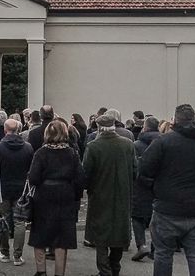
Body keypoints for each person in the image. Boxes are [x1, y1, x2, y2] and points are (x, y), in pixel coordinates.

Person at [140, 104, 195, 276]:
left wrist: (154, 190)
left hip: (167, 208)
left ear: (175, 119)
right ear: (194, 119)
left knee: (163, 254)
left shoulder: (164, 141)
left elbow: (145, 169)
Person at [28, 119, 85, 276]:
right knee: (61, 237)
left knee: (39, 234)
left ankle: (41, 271)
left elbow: (33, 178)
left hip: (44, 196)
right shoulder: (72, 153)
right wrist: (76, 197)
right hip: (65, 196)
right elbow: (80, 179)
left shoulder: (41, 153)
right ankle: (59, 273)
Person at [84, 113, 136, 276]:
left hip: (100, 196)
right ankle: (115, 267)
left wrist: (88, 188)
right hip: (122, 195)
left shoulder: (93, 146)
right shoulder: (128, 145)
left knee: (101, 237)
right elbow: (135, 170)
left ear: (99, 128)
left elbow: (86, 173)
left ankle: (104, 271)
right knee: (118, 234)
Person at [0, 118, 34, 266]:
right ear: (18, 130)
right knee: (20, 221)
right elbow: (31, 170)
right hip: (21, 189)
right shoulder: (28, 147)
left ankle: (4, 252)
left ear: (5, 130)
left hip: (2, 188)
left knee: (3, 220)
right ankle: (18, 255)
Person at [131, 115, 159, 262]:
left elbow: (135, 167)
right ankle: (155, 248)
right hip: (159, 187)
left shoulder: (137, 145)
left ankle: (141, 245)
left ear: (145, 127)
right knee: (157, 219)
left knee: (137, 217)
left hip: (140, 187)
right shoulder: (163, 143)